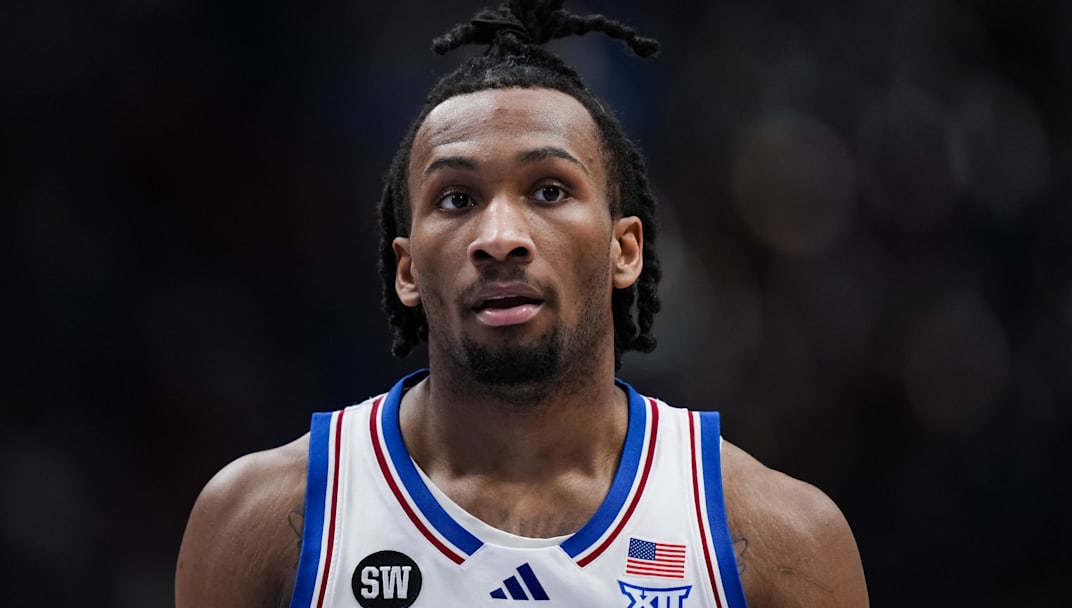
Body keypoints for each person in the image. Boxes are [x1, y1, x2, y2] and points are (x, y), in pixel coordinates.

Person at [175, 1, 869, 606]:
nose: (499, 238)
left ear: (627, 250)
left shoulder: (784, 539)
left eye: (548, 191)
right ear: (407, 268)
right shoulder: (262, 520)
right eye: (457, 199)